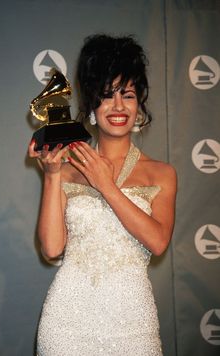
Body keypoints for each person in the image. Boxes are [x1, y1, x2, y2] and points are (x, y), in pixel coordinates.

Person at [29, 34, 177, 356]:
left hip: (133, 326)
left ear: (139, 106)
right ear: (92, 105)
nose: (119, 106)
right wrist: (52, 176)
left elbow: (158, 240)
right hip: (65, 324)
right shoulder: (66, 170)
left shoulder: (161, 174)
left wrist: (105, 185)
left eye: (128, 95)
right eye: (107, 96)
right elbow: (52, 249)